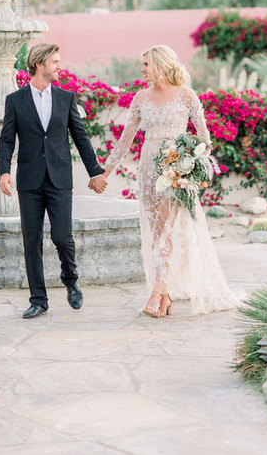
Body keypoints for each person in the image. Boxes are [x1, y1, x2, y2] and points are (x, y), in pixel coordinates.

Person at [99, 44, 237, 318]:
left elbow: (204, 139)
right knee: (156, 231)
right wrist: (105, 172)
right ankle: (165, 296)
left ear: (160, 66)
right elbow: (126, 139)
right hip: (148, 169)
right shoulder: (140, 98)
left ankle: (157, 291)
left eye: (146, 64)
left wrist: (189, 164)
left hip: (176, 171)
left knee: (165, 229)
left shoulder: (187, 96)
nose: (142, 70)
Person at [0, 42, 108, 319]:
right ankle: (39, 299)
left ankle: (70, 279)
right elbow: (7, 139)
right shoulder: (15, 100)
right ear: (39, 64)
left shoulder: (66, 98)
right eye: (55, 62)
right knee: (31, 240)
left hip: (60, 179)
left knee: (62, 237)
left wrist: (95, 171)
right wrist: (3, 171)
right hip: (29, 181)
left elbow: (81, 137)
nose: (60, 66)